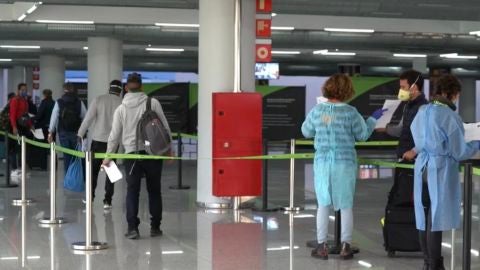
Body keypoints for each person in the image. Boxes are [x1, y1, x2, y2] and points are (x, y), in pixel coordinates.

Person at [302, 74, 386, 260]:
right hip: (344, 162)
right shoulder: (350, 112)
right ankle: (345, 246)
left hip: (323, 162)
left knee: (323, 204)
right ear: (347, 91)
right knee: (345, 205)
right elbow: (362, 135)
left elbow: (306, 131)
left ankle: (322, 245)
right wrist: (372, 119)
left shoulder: (317, 110)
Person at [410, 75, 478, 270]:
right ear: (452, 93)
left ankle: (427, 262)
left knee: (424, 217)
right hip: (439, 168)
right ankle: (435, 264)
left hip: (422, 166)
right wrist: (476, 143)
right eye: (456, 94)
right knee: (435, 218)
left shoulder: (423, 110)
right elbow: (459, 151)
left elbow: (418, 140)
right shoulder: (449, 115)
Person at [104, 73, 172, 240]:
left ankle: (133, 228)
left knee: (132, 191)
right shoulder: (152, 103)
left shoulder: (121, 109)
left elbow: (114, 135)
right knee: (154, 190)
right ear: (141, 86)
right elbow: (165, 127)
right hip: (153, 154)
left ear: (126, 88)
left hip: (131, 155)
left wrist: (108, 156)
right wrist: (169, 150)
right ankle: (155, 227)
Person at [77, 80, 122, 209]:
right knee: (111, 171)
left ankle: (90, 197)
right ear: (120, 90)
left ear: (109, 88)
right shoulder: (121, 103)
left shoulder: (99, 99)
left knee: (93, 171)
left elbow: (88, 119)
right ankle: (108, 201)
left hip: (98, 140)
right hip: (113, 142)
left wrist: (80, 133)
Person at [48, 83, 87, 174]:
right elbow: (85, 117)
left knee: (66, 155)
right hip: (76, 132)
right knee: (76, 154)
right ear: (73, 89)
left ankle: (68, 176)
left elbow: (54, 118)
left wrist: (50, 132)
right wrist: (84, 132)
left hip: (63, 132)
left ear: (64, 89)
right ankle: (77, 175)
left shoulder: (59, 102)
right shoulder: (79, 102)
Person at [9, 83, 33, 178]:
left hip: (23, 126)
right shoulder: (15, 100)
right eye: (22, 90)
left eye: (25, 90)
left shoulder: (25, 101)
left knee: (22, 148)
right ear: (18, 90)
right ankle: (15, 169)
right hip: (16, 126)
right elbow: (12, 115)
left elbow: (26, 115)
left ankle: (21, 168)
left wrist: (30, 125)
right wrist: (14, 127)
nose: (24, 91)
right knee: (15, 148)